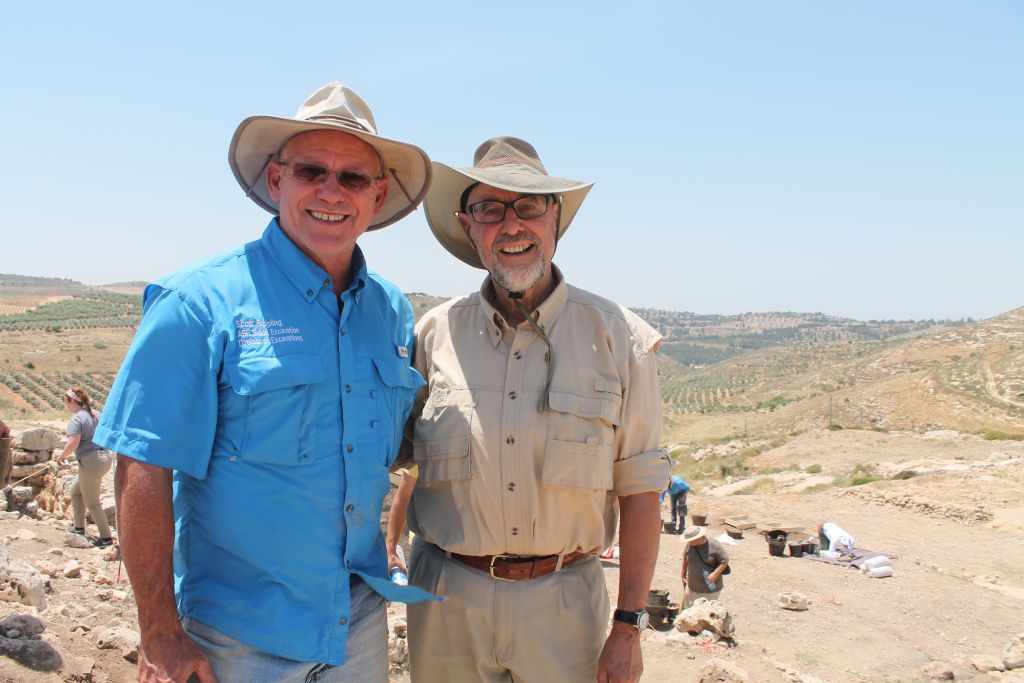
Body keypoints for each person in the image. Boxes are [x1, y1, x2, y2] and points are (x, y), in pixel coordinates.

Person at [94, 82, 437, 683]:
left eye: (354, 178)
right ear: (277, 181)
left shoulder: (390, 311)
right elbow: (142, 464)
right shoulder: (198, 303)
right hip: (236, 638)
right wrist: (159, 634)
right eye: (312, 171)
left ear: (377, 196)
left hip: (356, 625)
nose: (332, 191)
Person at [404, 136, 670, 683]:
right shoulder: (432, 335)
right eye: (489, 209)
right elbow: (397, 462)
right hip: (446, 602)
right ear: (468, 225)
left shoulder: (619, 336)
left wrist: (628, 626)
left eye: (529, 206)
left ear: (555, 220)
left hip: (566, 608)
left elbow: (641, 489)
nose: (512, 225)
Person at [54, 387, 113, 546]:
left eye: (66, 401)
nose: (66, 405)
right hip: (104, 458)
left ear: (72, 401)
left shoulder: (76, 419)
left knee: (93, 503)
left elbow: (73, 442)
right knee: (75, 491)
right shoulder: (96, 414)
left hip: (90, 461)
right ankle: (79, 527)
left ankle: (106, 538)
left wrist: (62, 456)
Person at [680, 526, 729, 607]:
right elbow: (685, 556)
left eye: (690, 540)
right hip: (692, 586)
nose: (688, 542)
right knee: (690, 610)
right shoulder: (690, 545)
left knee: (705, 611)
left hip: (710, 589)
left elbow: (724, 560)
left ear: (698, 538)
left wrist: (715, 574)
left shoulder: (714, 545)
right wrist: (683, 572)